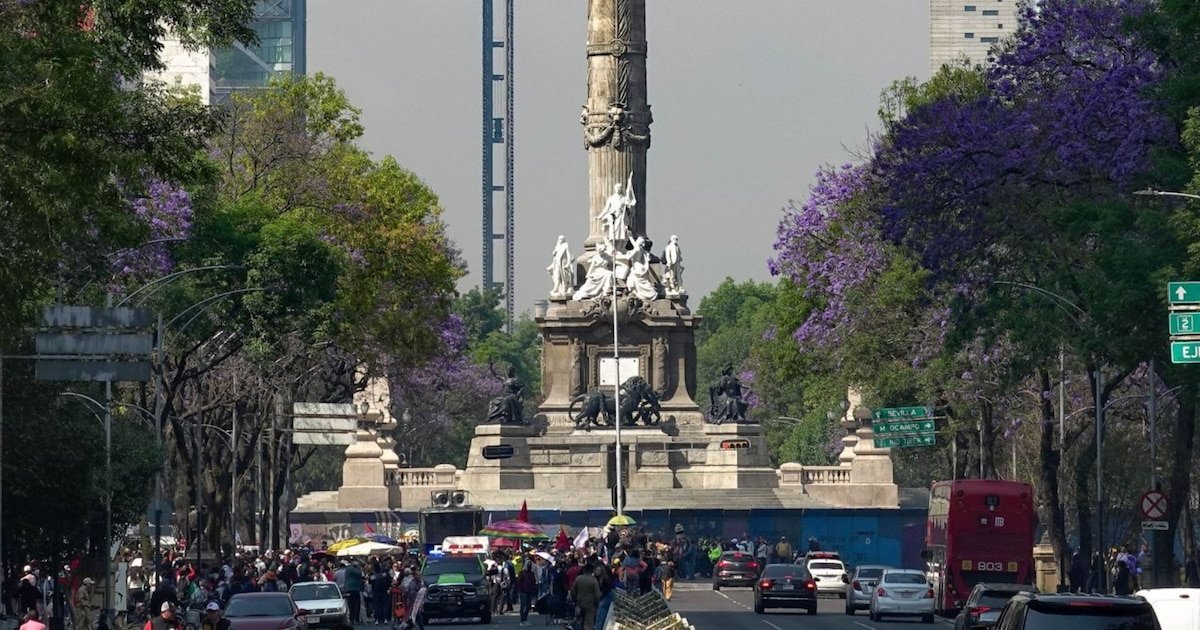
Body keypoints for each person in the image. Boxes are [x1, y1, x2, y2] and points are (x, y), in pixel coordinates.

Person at [570, 562, 601, 630]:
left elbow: (573, 591)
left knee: (579, 621)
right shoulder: (594, 581)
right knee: (589, 624)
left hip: (580, 603)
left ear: (584, 570)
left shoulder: (578, 578)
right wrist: (597, 604)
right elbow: (597, 595)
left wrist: (574, 601)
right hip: (590, 605)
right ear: (592, 571)